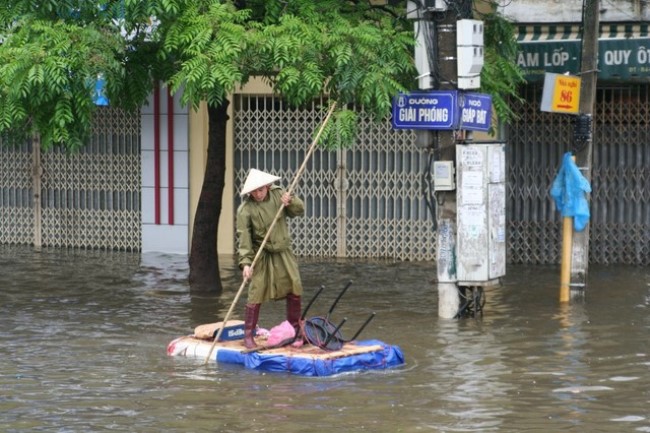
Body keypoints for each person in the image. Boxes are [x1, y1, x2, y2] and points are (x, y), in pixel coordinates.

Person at [236, 168, 304, 349]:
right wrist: (246, 264)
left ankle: (296, 331)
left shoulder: (278, 194)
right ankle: (248, 335)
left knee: (294, 285)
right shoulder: (245, 210)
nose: (257, 194)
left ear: (267, 187)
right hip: (262, 253)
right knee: (256, 290)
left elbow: (299, 210)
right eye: (254, 191)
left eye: (261, 190)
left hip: (283, 251)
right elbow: (244, 239)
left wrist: (290, 201)